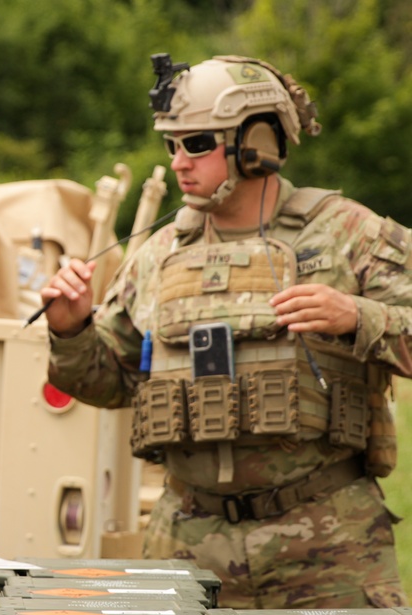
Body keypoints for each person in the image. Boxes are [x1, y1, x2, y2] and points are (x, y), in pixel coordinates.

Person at [41, 54, 411, 609]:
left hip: (327, 541)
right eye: (171, 146)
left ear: (256, 142)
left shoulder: (348, 233)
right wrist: (70, 329)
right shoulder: (160, 254)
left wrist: (359, 316)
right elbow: (111, 381)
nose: (179, 163)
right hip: (186, 543)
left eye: (195, 143)